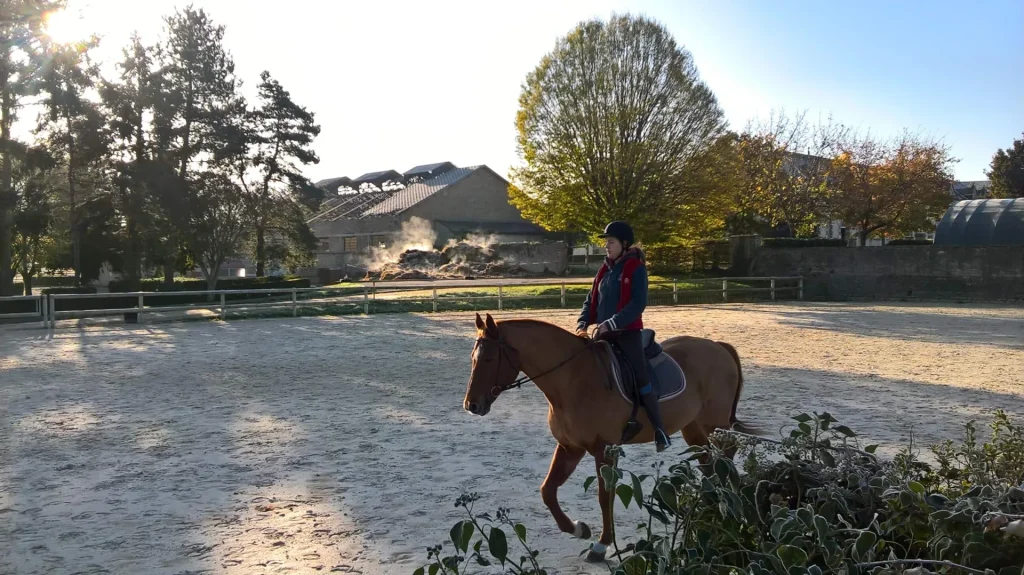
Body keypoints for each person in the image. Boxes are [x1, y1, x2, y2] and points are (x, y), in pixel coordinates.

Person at [576, 221, 671, 452]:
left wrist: (612, 322)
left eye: (611, 242)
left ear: (624, 244)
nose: (606, 246)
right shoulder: (604, 270)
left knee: (641, 377)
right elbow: (591, 301)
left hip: (627, 333)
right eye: (606, 242)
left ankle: (660, 430)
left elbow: (638, 303)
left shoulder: (636, 268)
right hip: (602, 334)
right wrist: (582, 324)